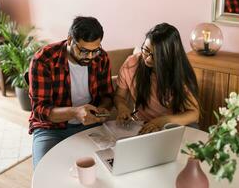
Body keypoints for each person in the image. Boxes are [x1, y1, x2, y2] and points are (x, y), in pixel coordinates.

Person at [28, 16, 114, 168]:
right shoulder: (44, 60)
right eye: (83, 51)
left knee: (107, 166)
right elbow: (40, 110)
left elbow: (107, 95)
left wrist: (102, 110)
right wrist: (75, 112)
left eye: (95, 50)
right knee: (46, 172)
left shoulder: (101, 58)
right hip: (50, 129)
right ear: (69, 40)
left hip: (90, 125)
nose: (90, 57)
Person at [114, 23, 200, 134]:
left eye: (156, 56)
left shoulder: (180, 73)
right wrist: (122, 107)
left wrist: (161, 122)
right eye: (145, 50)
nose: (148, 59)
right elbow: (119, 96)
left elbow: (194, 114)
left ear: (170, 55)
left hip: (171, 126)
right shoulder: (131, 64)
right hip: (144, 125)